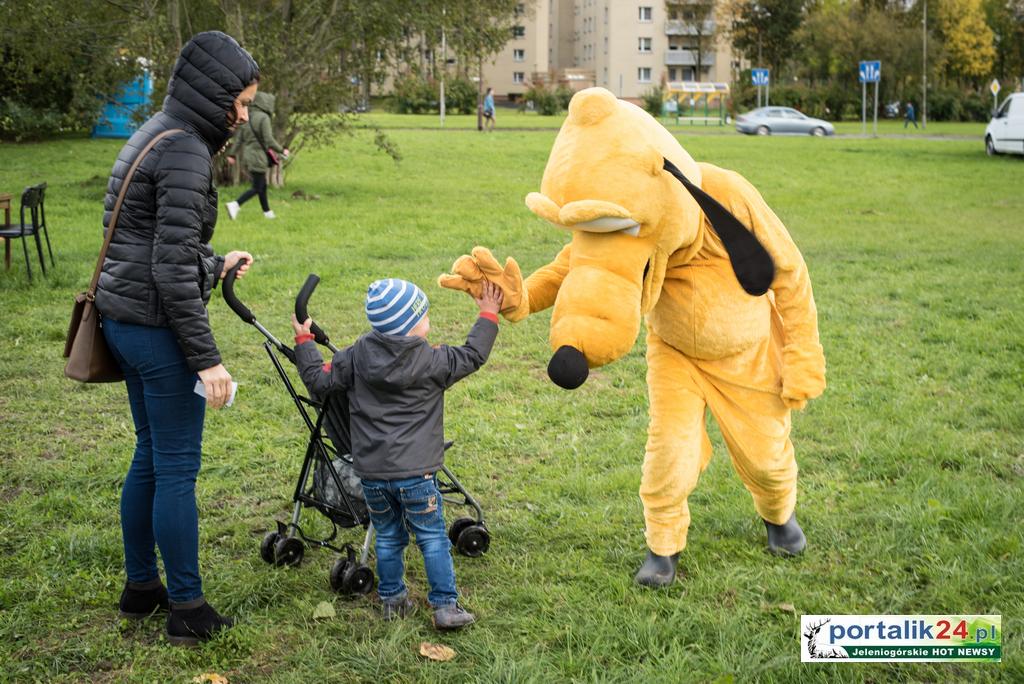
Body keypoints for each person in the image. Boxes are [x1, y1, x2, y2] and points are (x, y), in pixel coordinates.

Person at [95, 31, 259, 646]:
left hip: (123, 322)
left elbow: (148, 243)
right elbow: (165, 270)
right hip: (157, 333)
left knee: (150, 456)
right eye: (239, 102)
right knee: (177, 469)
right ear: (214, 94)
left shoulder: (154, 130)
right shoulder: (187, 150)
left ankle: (142, 589)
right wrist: (208, 361)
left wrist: (212, 264)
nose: (242, 115)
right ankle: (187, 608)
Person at [290, 279, 503, 630]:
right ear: (411, 324)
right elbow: (473, 355)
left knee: (388, 536)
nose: (428, 319)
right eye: (424, 314)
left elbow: (318, 381)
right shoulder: (433, 361)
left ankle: (392, 601)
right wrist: (488, 313)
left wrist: (304, 342)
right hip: (417, 474)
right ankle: (445, 607)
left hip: (372, 474)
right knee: (432, 537)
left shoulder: (356, 356)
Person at [225, 91, 287, 220]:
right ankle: (235, 205)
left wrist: (232, 155)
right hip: (258, 156)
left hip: (249, 155)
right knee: (257, 187)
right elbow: (269, 140)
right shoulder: (264, 118)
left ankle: (267, 213)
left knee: (262, 185)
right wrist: (282, 150)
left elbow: (239, 140)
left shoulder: (248, 117)